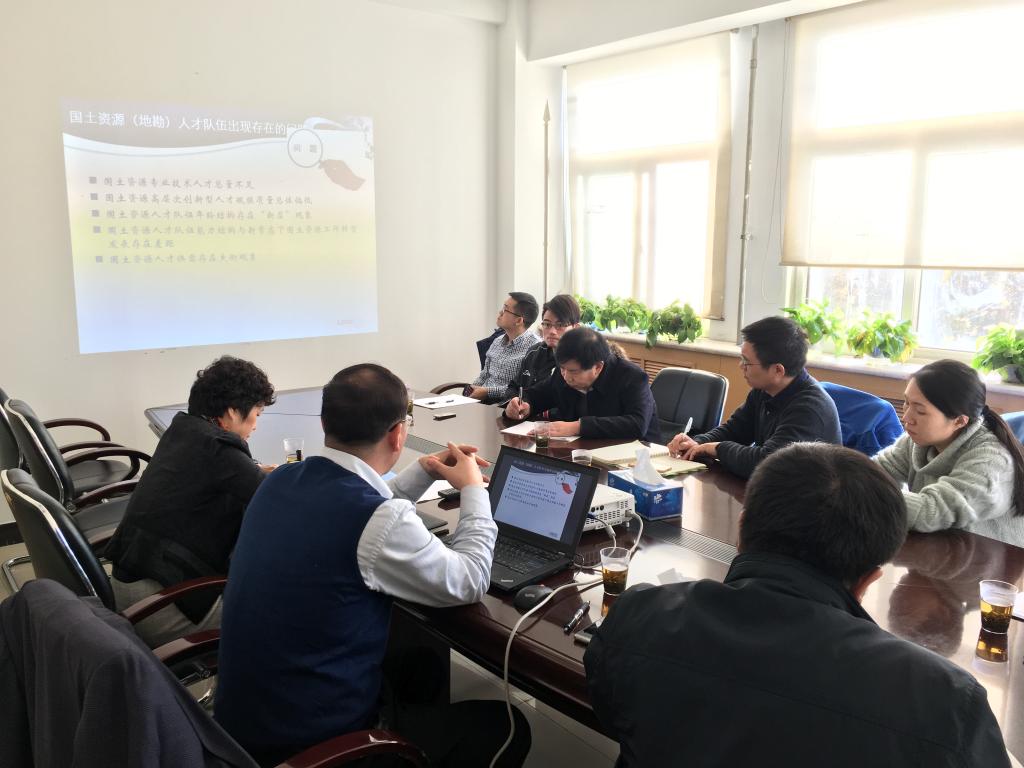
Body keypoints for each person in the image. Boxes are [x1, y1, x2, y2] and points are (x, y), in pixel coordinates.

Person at [584, 443, 1010, 767]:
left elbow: (613, 713)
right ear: (869, 580)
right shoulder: (945, 701)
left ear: (741, 530)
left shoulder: (637, 615)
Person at [214, 364, 531, 767]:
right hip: (311, 749)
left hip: (240, 726)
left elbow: (360, 504)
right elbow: (469, 580)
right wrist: (472, 490)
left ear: (324, 423)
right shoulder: (376, 518)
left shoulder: (280, 479)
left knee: (420, 669)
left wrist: (422, 471)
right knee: (504, 727)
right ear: (398, 434)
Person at [104, 356, 276, 647]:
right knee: (290, 608)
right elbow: (279, 502)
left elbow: (226, 476)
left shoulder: (185, 430)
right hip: (161, 607)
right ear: (233, 412)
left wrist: (255, 472)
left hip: (131, 590)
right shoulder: (220, 450)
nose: (256, 425)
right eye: (256, 414)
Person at [667, 315, 841, 478]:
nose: (740, 366)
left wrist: (717, 448)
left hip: (809, 496)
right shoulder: (764, 390)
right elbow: (734, 430)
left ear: (778, 370)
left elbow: (767, 463)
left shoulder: (809, 409)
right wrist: (696, 443)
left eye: (746, 362)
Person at [874, 359, 1024, 546]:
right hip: (941, 548)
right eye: (906, 402)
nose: (906, 417)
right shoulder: (917, 440)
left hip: (992, 559)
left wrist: (866, 493)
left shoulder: (991, 461)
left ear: (960, 421)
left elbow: (930, 512)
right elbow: (873, 473)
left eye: (920, 411)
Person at [504, 327, 660, 442]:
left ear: (597, 367)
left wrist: (578, 427)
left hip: (635, 459)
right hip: (582, 452)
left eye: (573, 371)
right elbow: (539, 394)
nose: (566, 376)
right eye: (562, 368)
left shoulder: (632, 377)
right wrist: (523, 404)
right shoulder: (564, 372)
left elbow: (637, 424)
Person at [511, 293, 580, 419]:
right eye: (547, 324)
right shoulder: (533, 352)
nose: (552, 331)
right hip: (526, 421)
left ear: (576, 328)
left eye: (560, 325)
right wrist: (514, 404)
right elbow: (514, 388)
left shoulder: (580, 361)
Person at [467, 292, 540, 403]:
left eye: (505, 309)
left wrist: (487, 392)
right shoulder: (497, 341)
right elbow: (484, 375)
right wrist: (469, 393)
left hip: (506, 406)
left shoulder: (535, 348)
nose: (500, 312)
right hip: (481, 402)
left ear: (518, 320)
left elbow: (522, 389)